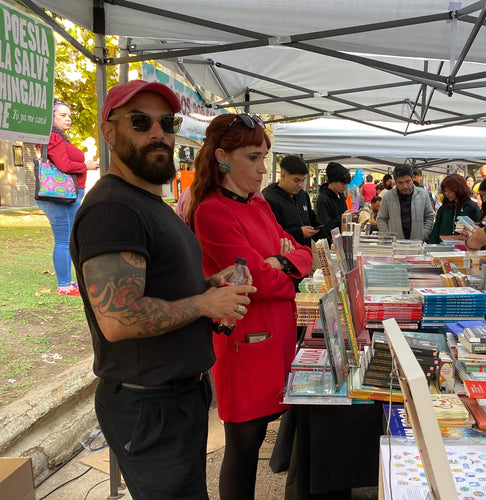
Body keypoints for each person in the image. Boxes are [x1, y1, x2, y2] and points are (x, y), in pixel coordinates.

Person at [70, 80, 256, 499]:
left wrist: (206, 284)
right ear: (109, 131)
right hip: (149, 405)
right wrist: (204, 302)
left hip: (173, 398)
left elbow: (153, 283)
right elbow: (118, 318)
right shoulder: (113, 208)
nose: (158, 133)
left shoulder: (146, 201)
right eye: (140, 122)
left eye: (166, 123)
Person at [187, 113, 313, 500]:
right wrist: (280, 266)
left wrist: (283, 264)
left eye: (264, 158)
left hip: (273, 338)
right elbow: (256, 279)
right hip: (244, 343)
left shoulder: (257, 206)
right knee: (243, 446)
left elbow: (303, 255)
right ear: (223, 157)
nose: (263, 169)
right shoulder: (212, 211)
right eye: (254, 158)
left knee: (254, 440)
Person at [39, 100, 99, 296]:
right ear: (52, 117)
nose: (68, 119)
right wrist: (86, 166)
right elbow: (64, 165)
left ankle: (68, 282)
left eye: (69, 116)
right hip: (61, 196)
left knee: (67, 239)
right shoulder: (53, 137)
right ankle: (64, 285)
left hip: (68, 194)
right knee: (64, 240)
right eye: (62, 115)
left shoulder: (61, 138)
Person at [263, 155, 320, 248]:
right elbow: (270, 234)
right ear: (283, 175)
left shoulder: (303, 195)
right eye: (296, 180)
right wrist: (299, 232)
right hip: (284, 256)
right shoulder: (270, 198)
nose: (300, 185)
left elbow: (312, 219)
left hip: (305, 253)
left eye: (303, 180)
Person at [377, 164, 435, 240]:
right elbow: (381, 219)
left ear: (413, 179)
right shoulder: (388, 197)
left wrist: (423, 234)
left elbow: (429, 216)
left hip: (418, 243)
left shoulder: (423, 194)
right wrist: (388, 236)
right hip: (396, 245)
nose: (405, 186)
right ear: (395, 182)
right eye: (400, 183)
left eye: (408, 181)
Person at [429, 174, 479, 243]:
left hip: (464, 250)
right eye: (445, 191)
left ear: (458, 189)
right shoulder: (443, 209)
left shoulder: (472, 208)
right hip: (442, 249)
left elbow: (478, 232)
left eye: (449, 191)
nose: (446, 193)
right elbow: (435, 231)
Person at [315, 162, 351, 242]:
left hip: (341, 238)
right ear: (332, 181)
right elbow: (325, 226)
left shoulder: (340, 195)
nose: (345, 187)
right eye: (342, 184)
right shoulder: (323, 199)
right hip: (330, 241)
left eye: (346, 184)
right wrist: (343, 217)